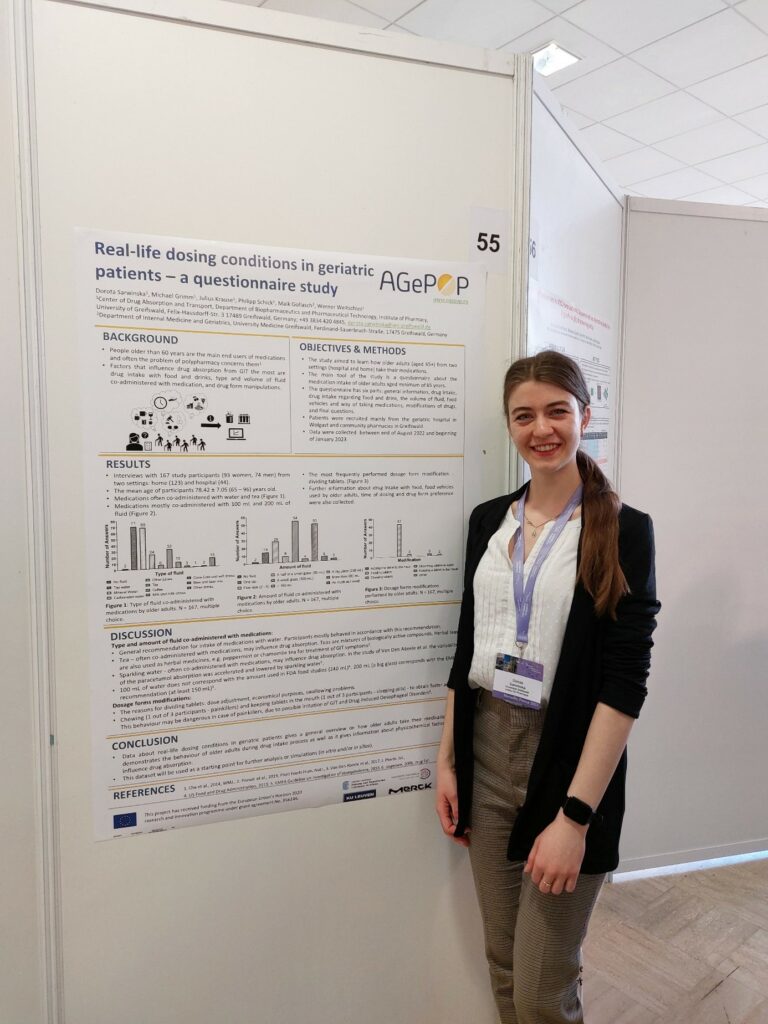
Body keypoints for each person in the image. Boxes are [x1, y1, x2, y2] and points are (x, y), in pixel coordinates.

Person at [436, 350, 660, 1024]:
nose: (543, 429)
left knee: (542, 991)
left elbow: (624, 687)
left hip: (565, 762)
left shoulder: (623, 530)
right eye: (524, 415)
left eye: (557, 411)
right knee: (505, 967)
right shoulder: (488, 521)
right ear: (509, 426)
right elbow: (466, 643)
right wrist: (448, 760)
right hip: (484, 750)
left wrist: (574, 817)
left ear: (584, 416)